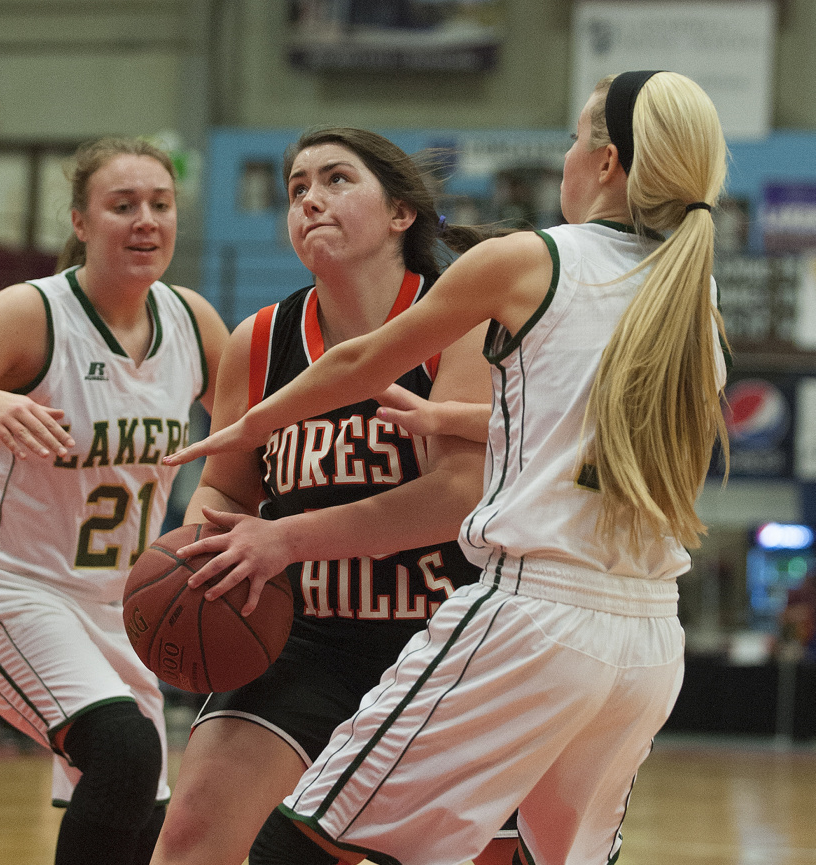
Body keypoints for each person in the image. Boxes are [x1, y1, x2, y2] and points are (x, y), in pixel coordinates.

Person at [165, 71, 730, 865]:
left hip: (531, 615)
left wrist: (255, 420)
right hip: (643, 638)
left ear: (604, 162)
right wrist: (450, 417)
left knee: (299, 845)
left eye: (573, 140)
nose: (566, 157)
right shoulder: (687, 296)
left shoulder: (529, 261)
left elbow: (363, 361)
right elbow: (584, 431)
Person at [149, 127, 516, 865]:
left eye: (336, 180)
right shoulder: (261, 338)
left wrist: (282, 539)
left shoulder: (462, 323)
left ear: (400, 214)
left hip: (443, 640)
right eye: (296, 189)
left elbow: (454, 494)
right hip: (299, 638)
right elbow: (225, 483)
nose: (310, 198)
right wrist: (202, 566)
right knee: (192, 838)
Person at [0, 136, 229, 864]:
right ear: (79, 220)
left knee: (139, 810)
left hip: (122, 605)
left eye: (160, 205)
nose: (145, 221)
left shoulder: (193, 321)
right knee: (126, 754)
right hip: (6, 585)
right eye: (122, 205)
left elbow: (242, 436)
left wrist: (208, 525)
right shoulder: (31, 314)